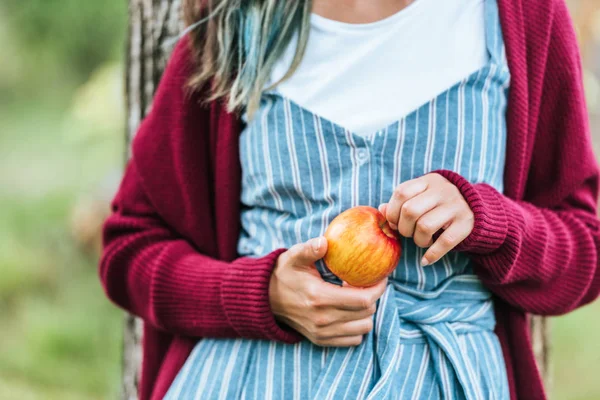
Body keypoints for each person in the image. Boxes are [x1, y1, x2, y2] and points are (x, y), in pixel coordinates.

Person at [99, 0, 600, 399]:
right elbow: (130, 251)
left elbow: (585, 251)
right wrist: (262, 294)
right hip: (250, 380)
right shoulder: (238, 18)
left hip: (450, 379)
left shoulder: (521, 16)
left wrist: (491, 223)